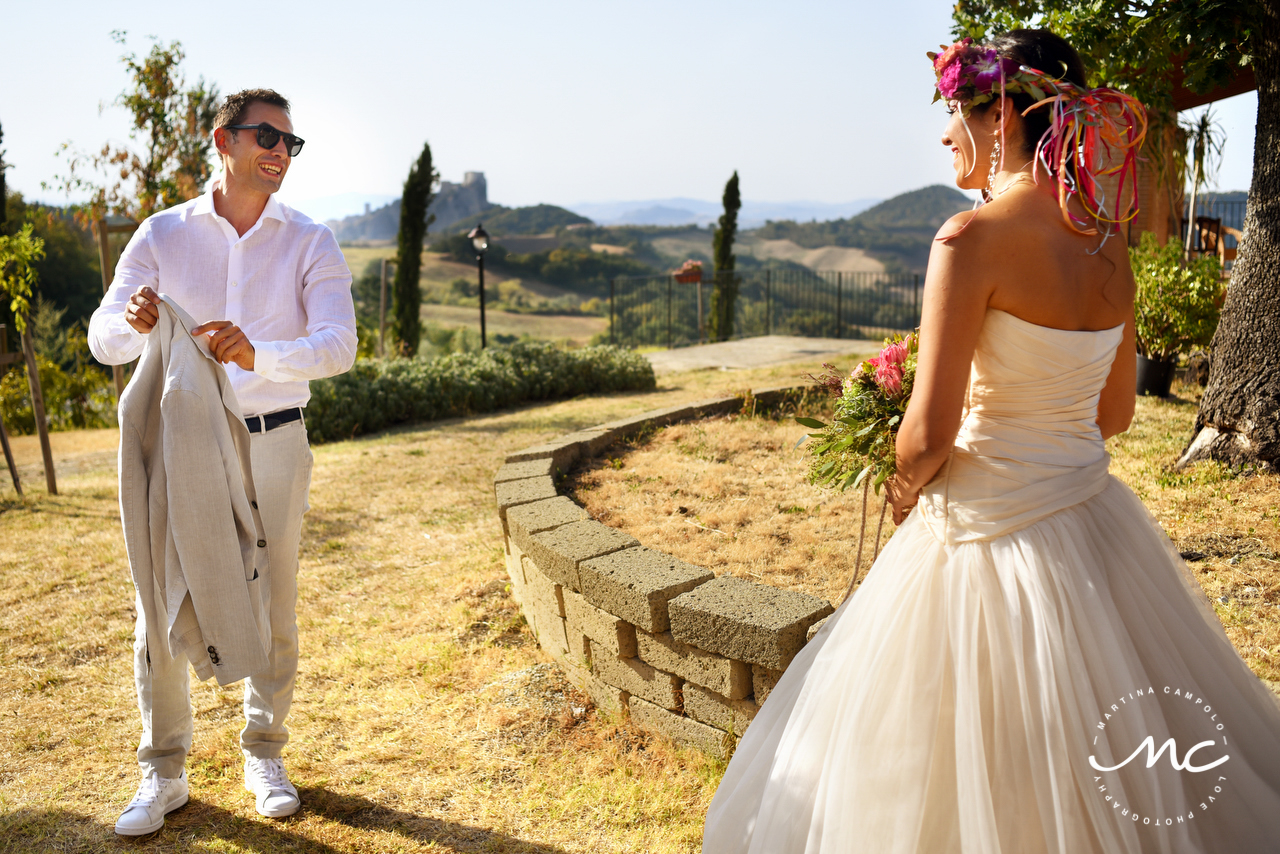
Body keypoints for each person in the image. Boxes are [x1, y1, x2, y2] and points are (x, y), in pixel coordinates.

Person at [701, 30, 1280, 853]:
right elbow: (1113, 415)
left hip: (981, 533)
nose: (945, 134)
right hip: (1090, 518)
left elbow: (929, 433)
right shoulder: (1109, 241)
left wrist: (902, 479)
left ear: (1000, 113)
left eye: (952, 113)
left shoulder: (968, 241)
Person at [88, 88, 357, 835]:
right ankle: (162, 771)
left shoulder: (312, 240)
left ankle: (264, 751)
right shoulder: (162, 234)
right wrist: (132, 326)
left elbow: (339, 345)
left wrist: (257, 353)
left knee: (272, 596)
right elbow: (101, 334)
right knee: (161, 601)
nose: (280, 153)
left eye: (290, 144)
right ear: (223, 141)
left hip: (275, 439)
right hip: (179, 446)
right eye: (266, 137)